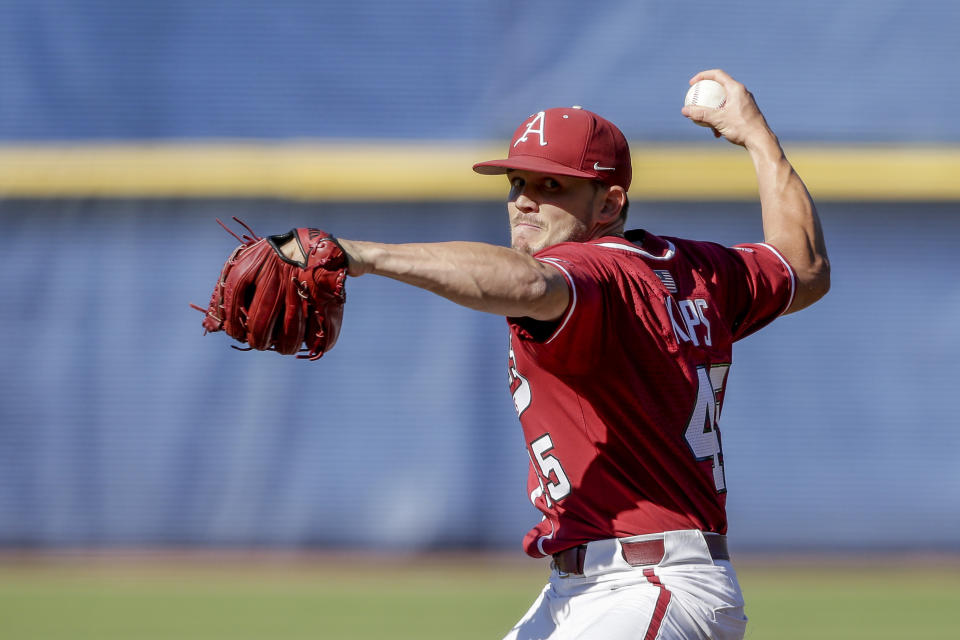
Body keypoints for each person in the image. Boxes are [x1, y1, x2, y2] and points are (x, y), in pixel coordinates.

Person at [292, 69, 830, 639]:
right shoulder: (697, 272)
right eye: (517, 183)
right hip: (590, 590)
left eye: (552, 187)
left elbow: (529, 285)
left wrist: (361, 255)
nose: (524, 201)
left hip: (647, 589)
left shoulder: (591, 271)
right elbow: (804, 266)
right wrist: (755, 135)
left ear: (610, 202)